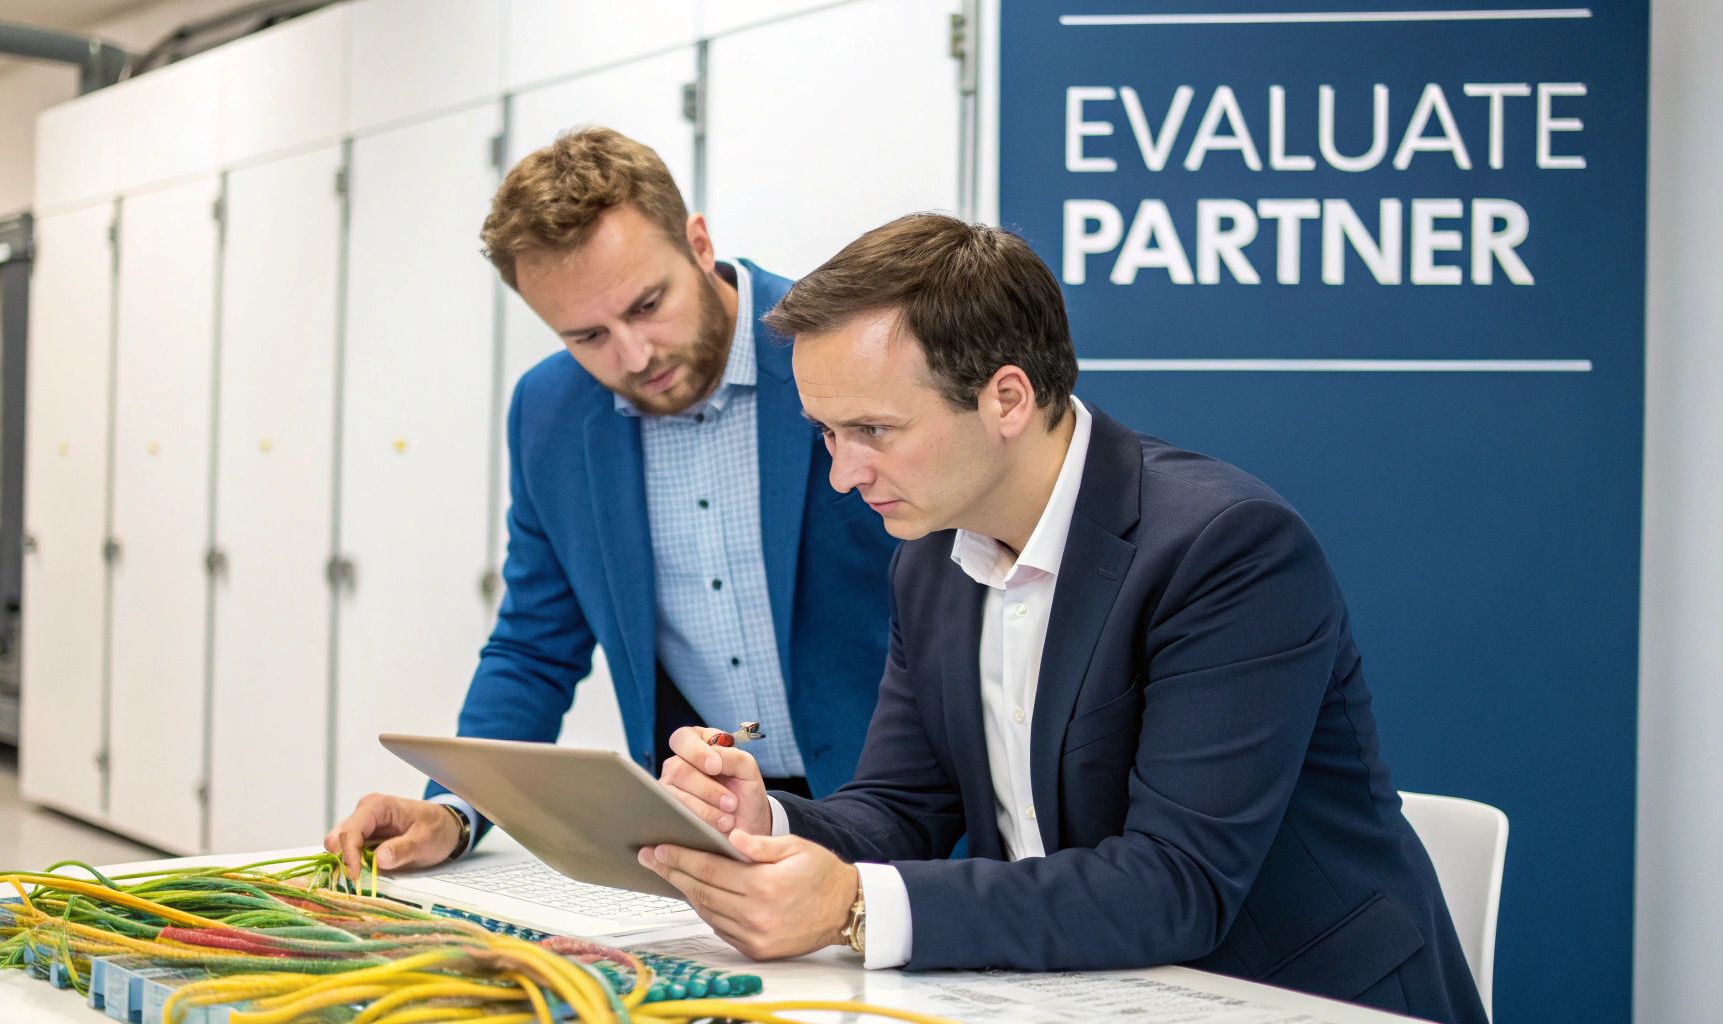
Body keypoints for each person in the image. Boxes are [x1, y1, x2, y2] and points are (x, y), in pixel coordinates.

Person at [639, 213, 1488, 1024]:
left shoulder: (1228, 549)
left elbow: (1176, 886)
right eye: (827, 432)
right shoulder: (931, 559)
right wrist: (766, 822)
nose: (842, 474)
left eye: (873, 429)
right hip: (1089, 993)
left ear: (1008, 398)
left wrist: (852, 905)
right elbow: (902, 807)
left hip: (1301, 1000)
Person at [324, 128, 898, 878]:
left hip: (897, 819)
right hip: (706, 832)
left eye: (648, 304)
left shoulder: (841, 352)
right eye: (588, 335)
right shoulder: (551, 414)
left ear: (699, 245)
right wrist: (457, 808)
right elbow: (534, 646)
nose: (634, 355)